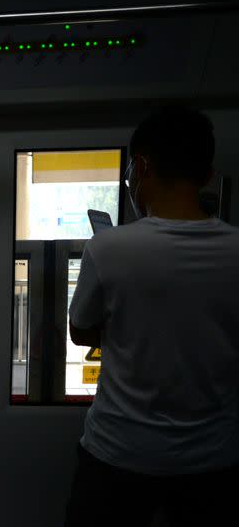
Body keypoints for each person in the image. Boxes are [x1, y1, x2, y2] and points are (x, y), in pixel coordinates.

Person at [65, 108, 239, 527]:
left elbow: (79, 329)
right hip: (214, 460)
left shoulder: (109, 248)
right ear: (208, 173)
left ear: (140, 167)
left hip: (117, 453)